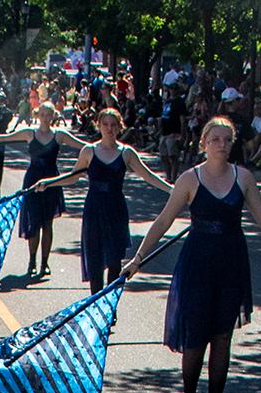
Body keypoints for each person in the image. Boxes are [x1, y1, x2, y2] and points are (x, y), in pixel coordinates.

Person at [124, 116, 261, 393]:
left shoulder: (244, 178)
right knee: (196, 337)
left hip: (231, 262)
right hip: (197, 263)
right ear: (204, 144)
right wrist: (138, 258)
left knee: (222, 337)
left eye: (226, 140)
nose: (221, 145)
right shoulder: (189, 179)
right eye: (215, 140)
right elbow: (164, 220)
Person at [40, 107, 175, 291]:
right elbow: (73, 177)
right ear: (99, 125)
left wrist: (173, 190)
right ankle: (95, 305)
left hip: (116, 210)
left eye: (113, 125)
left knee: (114, 261)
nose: (109, 128)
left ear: (120, 127)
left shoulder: (126, 153)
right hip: (94, 209)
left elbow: (148, 176)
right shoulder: (89, 151)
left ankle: (109, 305)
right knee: (95, 261)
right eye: (105, 124)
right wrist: (49, 183)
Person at [0, 103, 79, 276]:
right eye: (42, 114)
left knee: (48, 223)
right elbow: (3, 138)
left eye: (48, 114)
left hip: (51, 181)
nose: (44, 117)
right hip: (33, 180)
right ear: (38, 114)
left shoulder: (59, 135)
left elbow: (85, 147)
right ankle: (32, 261)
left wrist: (107, 146)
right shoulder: (30, 133)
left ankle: (44, 263)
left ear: (53, 116)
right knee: (34, 222)